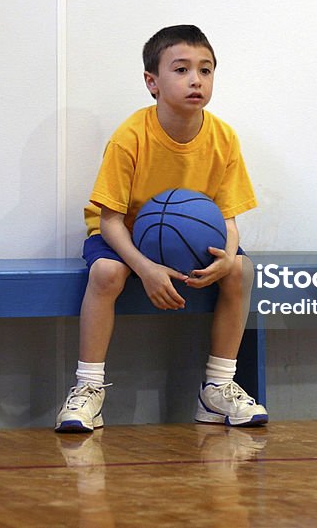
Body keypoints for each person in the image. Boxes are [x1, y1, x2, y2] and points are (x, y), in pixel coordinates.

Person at [55, 24, 268, 432]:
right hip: (126, 235)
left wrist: (227, 256)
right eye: (182, 69)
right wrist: (145, 268)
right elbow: (109, 220)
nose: (196, 80)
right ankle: (88, 391)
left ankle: (218, 388)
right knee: (106, 271)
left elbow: (228, 217)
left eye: (205, 71)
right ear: (152, 82)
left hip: (188, 244)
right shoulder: (130, 136)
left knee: (241, 269)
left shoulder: (224, 138)